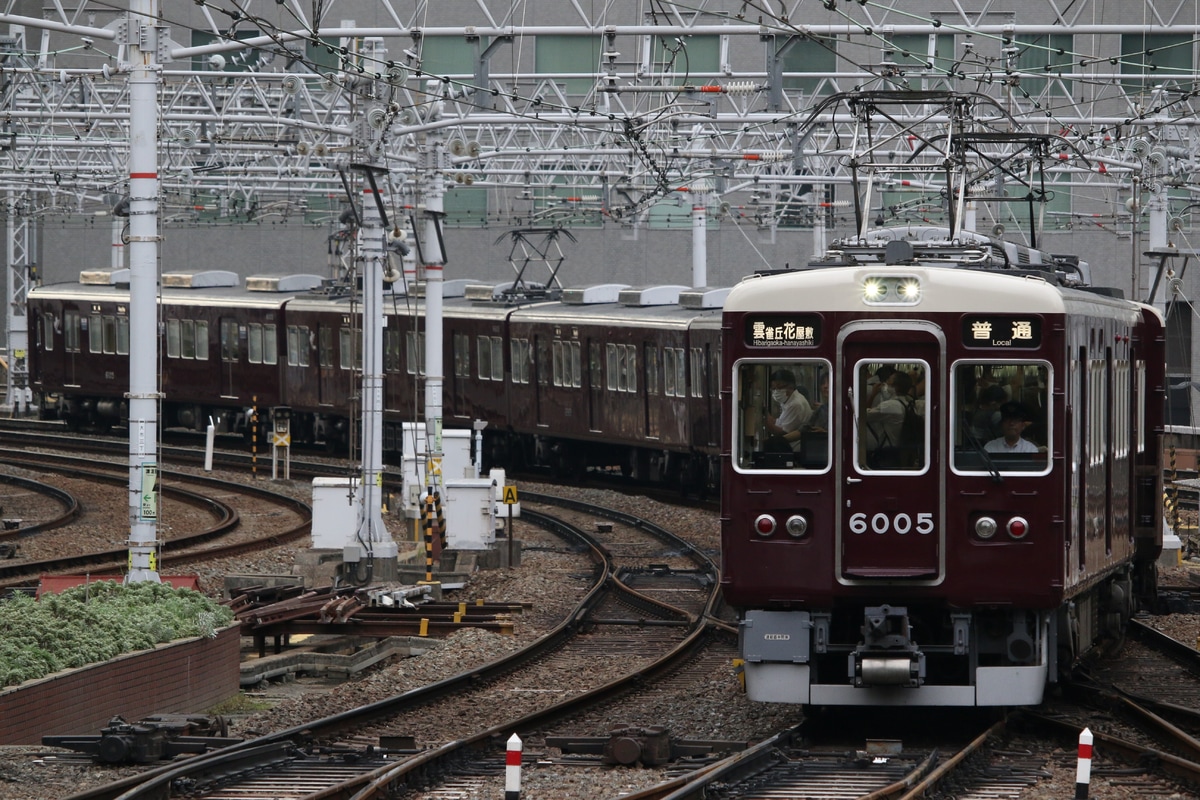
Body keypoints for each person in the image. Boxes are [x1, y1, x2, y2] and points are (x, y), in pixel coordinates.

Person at [864, 371, 914, 456]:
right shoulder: (907, 402)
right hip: (898, 449)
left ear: (895, 387)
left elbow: (863, 416)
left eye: (888, 381)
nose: (885, 383)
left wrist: (873, 395)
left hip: (887, 452)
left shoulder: (890, 406)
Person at [765, 369, 813, 452]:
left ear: (791, 386)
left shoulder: (795, 404)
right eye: (773, 388)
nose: (776, 391)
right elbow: (780, 422)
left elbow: (782, 433)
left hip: (795, 450)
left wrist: (764, 421)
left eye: (779, 387)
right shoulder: (788, 400)